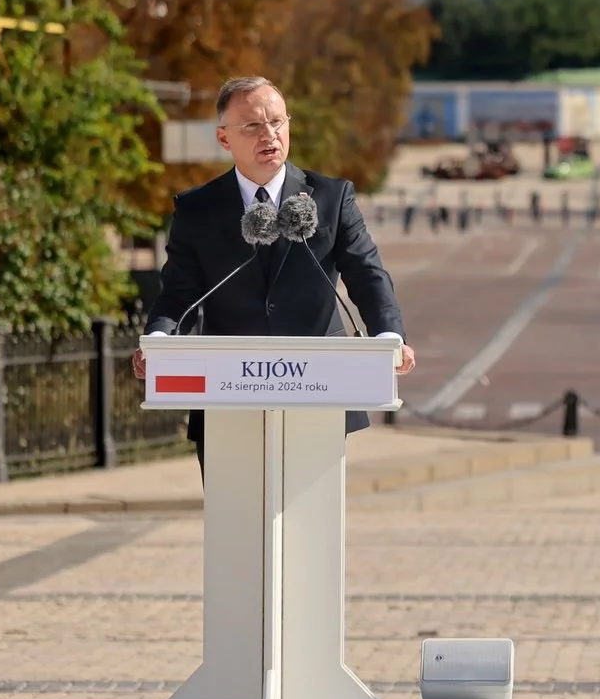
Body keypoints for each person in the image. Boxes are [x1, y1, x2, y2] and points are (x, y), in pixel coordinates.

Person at [132, 77, 415, 473]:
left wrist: (389, 337)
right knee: (235, 525)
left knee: (311, 527)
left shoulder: (331, 198)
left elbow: (367, 273)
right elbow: (179, 294)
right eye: (252, 126)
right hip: (227, 396)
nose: (269, 135)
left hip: (319, 391)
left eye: (278, 122)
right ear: (224, 138)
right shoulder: (197, 210)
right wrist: (159, 341)